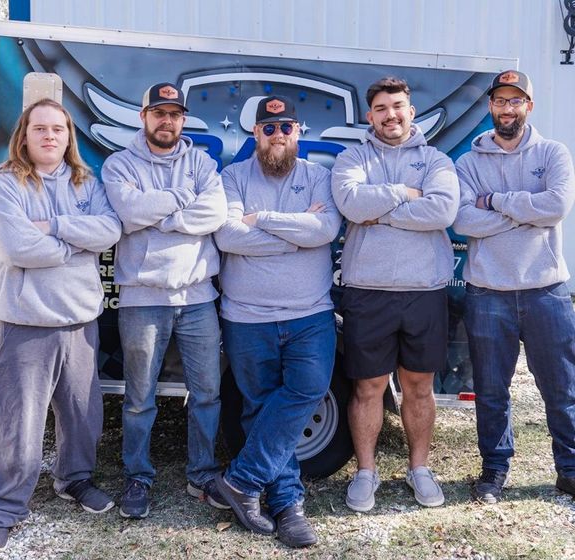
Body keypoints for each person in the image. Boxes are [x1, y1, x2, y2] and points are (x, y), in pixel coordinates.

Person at [0, 99, 121, 554]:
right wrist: (74, 246)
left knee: (83, 417)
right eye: (40, 128)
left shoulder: (86, 182)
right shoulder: (3, 186)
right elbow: (18, 249)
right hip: (26, 327)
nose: (50, 136)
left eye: (58, 129)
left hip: (80, 324)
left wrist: (55, 227)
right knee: (19, 428)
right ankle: (2, 508)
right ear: (24, 135)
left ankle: (73, 480)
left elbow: (110, 231)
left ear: (68, 136)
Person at [213, 95, 341, 548]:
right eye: (269, 129)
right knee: (260, 407)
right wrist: (295, 234)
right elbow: (228, 236)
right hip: (246, 317)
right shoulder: (231, 177)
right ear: (255, 134)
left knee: (307, 389)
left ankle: (242, 480)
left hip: (310, 315)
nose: (278, 135)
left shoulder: (320, 177)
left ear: (298, 132)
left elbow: (325, 232)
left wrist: (262, 220)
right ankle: (287, 505)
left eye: (286, 127)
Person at [331, 77, 459, 511]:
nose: (391, 115)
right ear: (370, 116)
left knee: (419, 387)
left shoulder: (437, 159)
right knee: (367, 387)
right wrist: (405, 195)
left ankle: (419, 468)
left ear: (411, 110)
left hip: (424, 291)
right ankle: (366, 473)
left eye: (398, 106)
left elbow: (442, 210)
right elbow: (350, 204)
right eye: (382, 108)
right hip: (368, 291)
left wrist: (380, 213)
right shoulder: (352, 157)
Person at [101, 82, 228, 518]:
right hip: (142, 298)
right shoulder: (119, 165)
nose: (167, 121)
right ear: (144, 117)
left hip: (198, 298)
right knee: (139, 397)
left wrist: (158, 216)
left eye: (174, 114)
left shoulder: (203, 163)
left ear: (182, 119)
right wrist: (179, 204)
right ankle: (137, 475)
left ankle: (203, 474)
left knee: (207, 393)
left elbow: (215, 214)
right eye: (159, 113)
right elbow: (128, 212)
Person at [453, 70, 575, 503]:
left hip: (547, 290)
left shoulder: (553, 153)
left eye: (515, 100)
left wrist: (499, 202)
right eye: (500, 101)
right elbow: (463, 220)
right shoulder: (468, 164)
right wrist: (528, 208)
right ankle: (494, 470)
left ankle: (571, 468)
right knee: (490, 390)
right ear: (490, 107)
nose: (507, 108)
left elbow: (556, 206)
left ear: (529, 105)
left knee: (561, 387)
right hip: (488, 291)